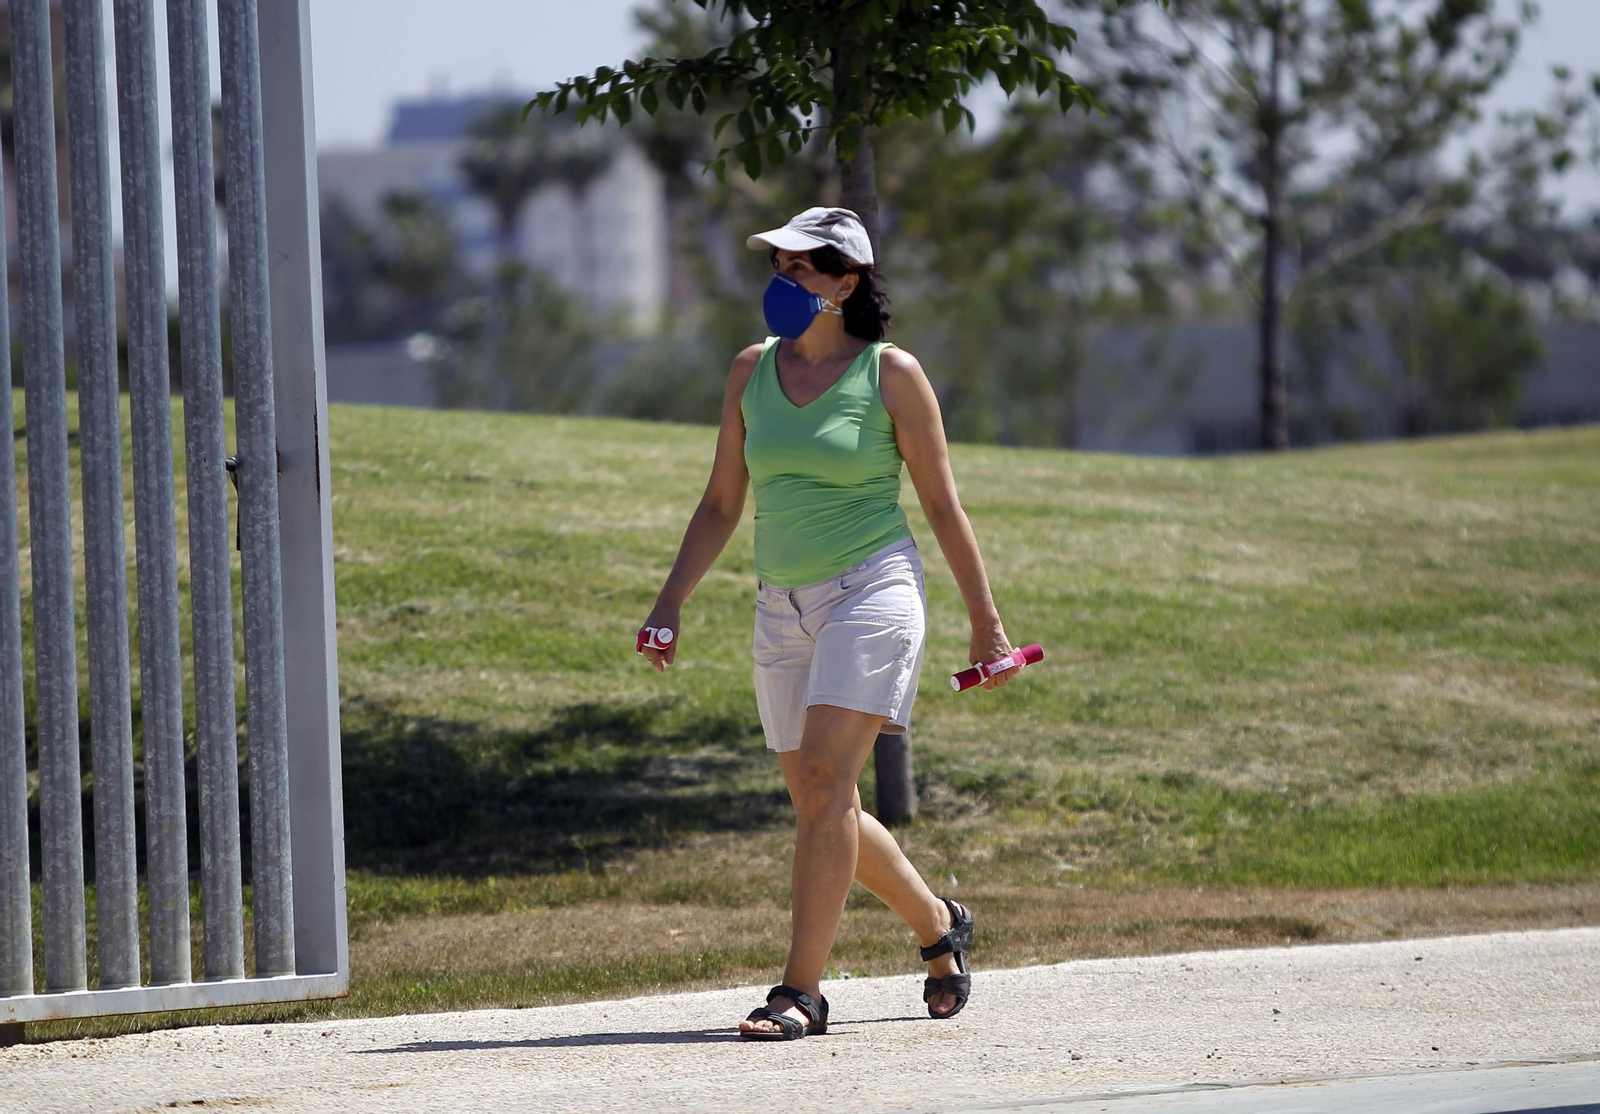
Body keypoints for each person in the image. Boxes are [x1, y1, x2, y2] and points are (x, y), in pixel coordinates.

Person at [637, 206, 1019, 1041]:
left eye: (802, 267)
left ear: (846, 282)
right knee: (821, 798)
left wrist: (985, 624)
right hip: (781, 602)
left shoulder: (891, 375)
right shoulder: (750, 371)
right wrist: (669, 604)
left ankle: (799, 993)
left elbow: (943, 506)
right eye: (778, 266)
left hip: (872, 590)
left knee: (822, 786)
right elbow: (721, 502)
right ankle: (939, 926)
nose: (784, 280)